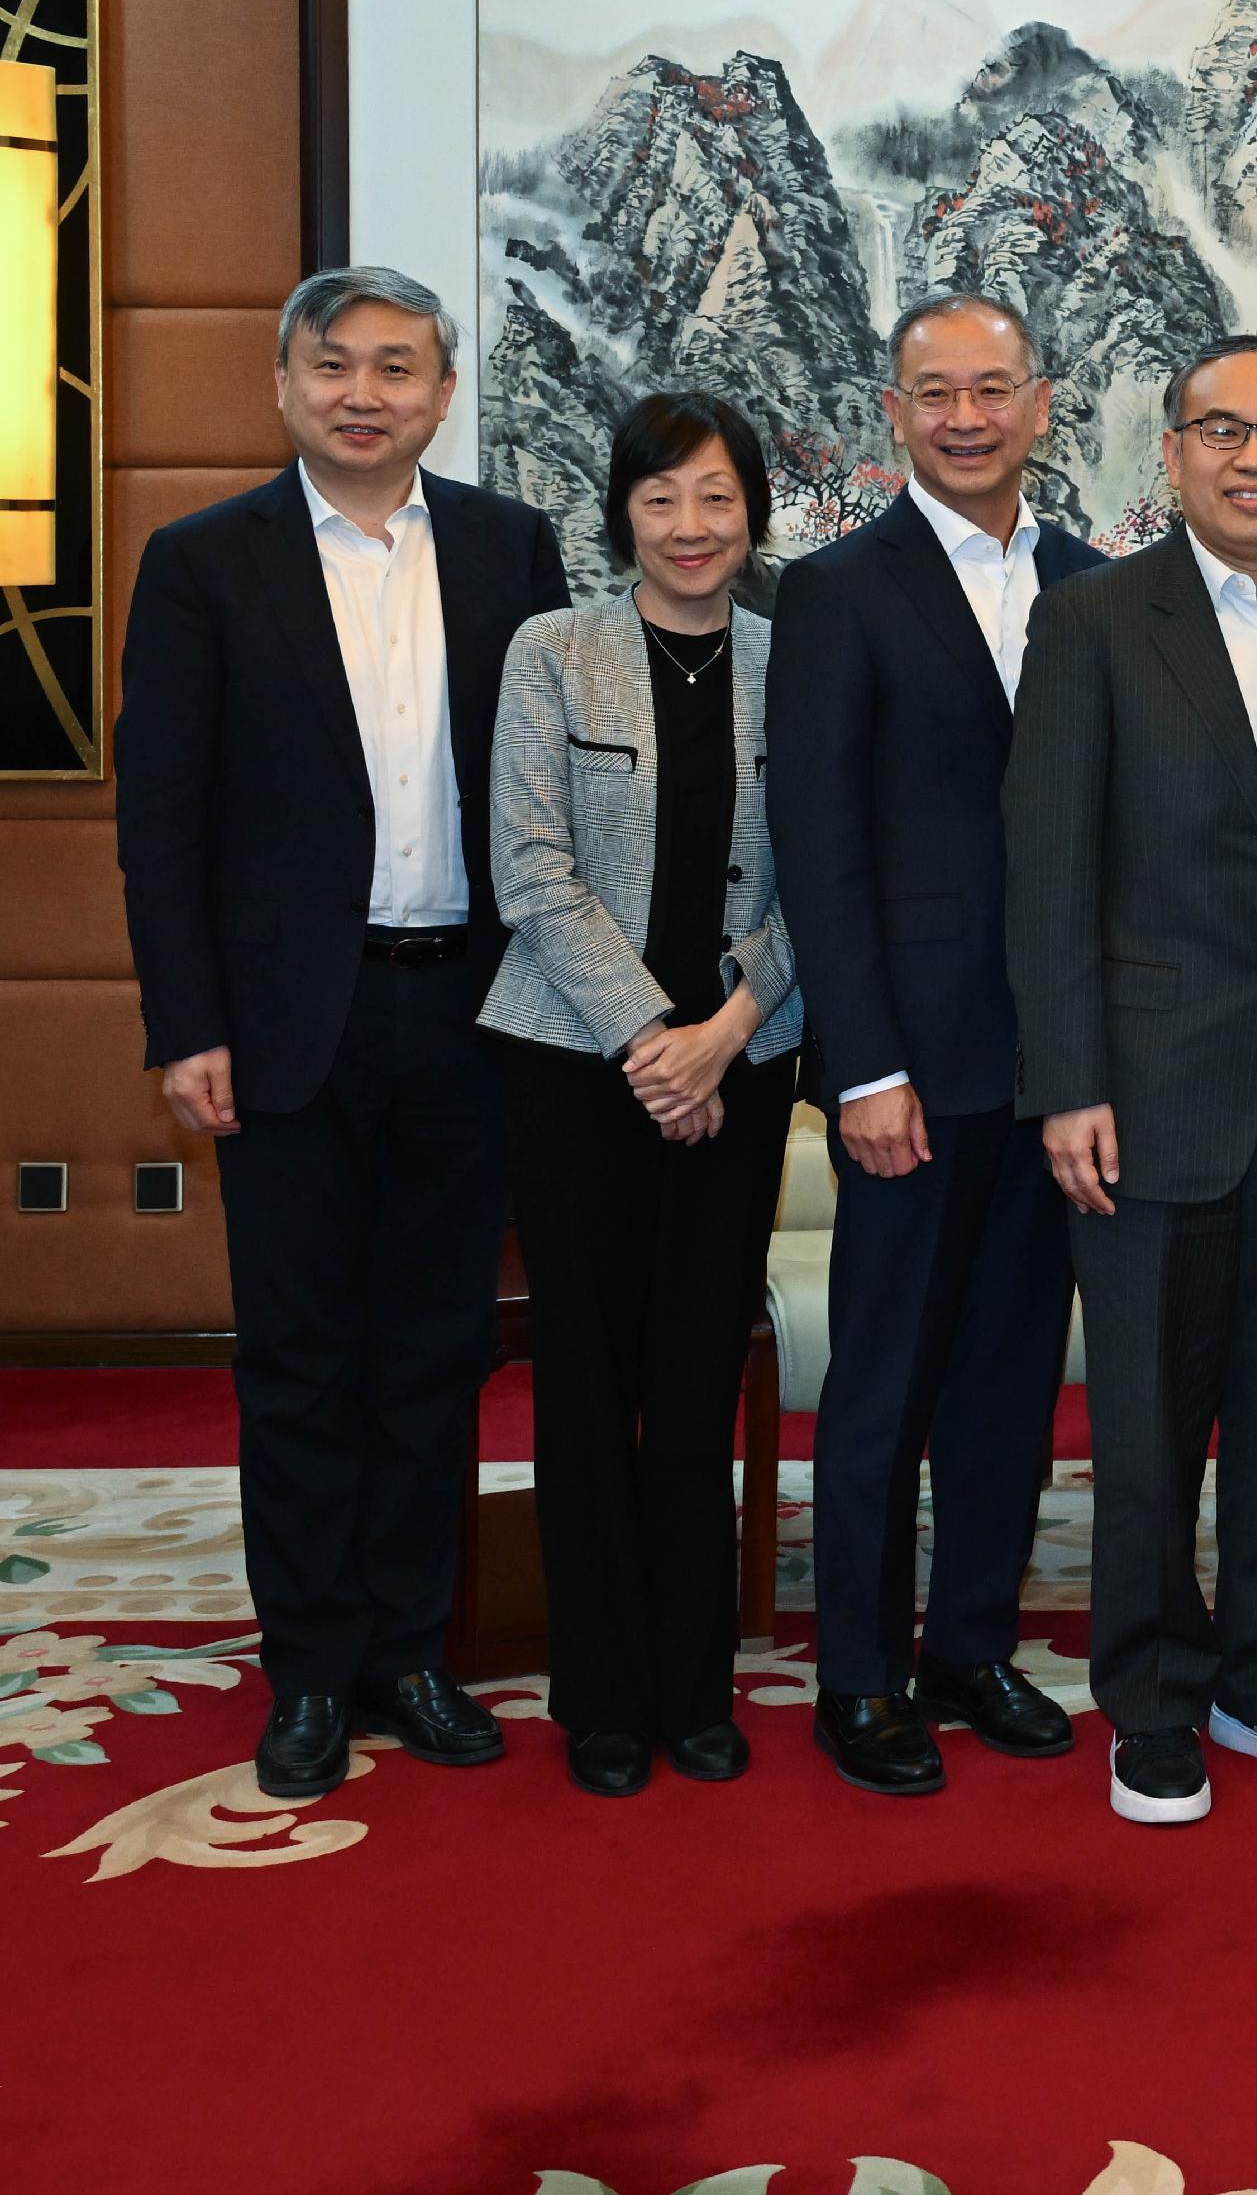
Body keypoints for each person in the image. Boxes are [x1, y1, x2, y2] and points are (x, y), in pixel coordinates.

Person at [113, 267, 572, 1801]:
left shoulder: (515, 549)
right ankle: (310, 1666)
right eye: (335, 366)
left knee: (435, 1353)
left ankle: (410, 1647)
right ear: (285, 385)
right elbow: (161, 820)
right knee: (303, 1356)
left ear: (446, 394)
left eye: (398, 367)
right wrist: (188, 1023)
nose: (364, 392)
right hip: (285, 1018)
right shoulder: (201, 564)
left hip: (471, 1009)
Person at [1006, 331, 1257, 1827]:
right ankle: (1154, 1694)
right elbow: (1046, 870)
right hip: (1148, 1083)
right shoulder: (1096, 620)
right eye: (1222, 431)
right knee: (1152, 1424)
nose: (1253, 458)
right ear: (1170, 452)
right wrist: (1068, 1080)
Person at [764, 292, 1105, 1798]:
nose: (965, 417)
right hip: (912, 1066)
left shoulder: (1100, 586)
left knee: (1012, 1383)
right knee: (883, 1385)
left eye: (992, 390)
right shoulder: (839, 591)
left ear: (1042, 404)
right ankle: (859, 1673)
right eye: (934, 393)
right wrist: (863, 1065)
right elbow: (817, 850)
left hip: (1062, 1069)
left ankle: (970, 1644)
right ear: (893, 411)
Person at [475, 393, 806, 1797]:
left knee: (695, 1379)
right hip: (572, 1068)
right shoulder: (555, 650)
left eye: (717, 498)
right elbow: (531, 866)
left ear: (753, 514)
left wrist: (723, 1031)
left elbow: (825, 877)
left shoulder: (795, 664)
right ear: (622, 511)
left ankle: (695, 1682)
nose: (690, 527)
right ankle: (603, 1692)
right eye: (662, 498)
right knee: (588, 1381)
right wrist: (651, 1041)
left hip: (740, 1062)